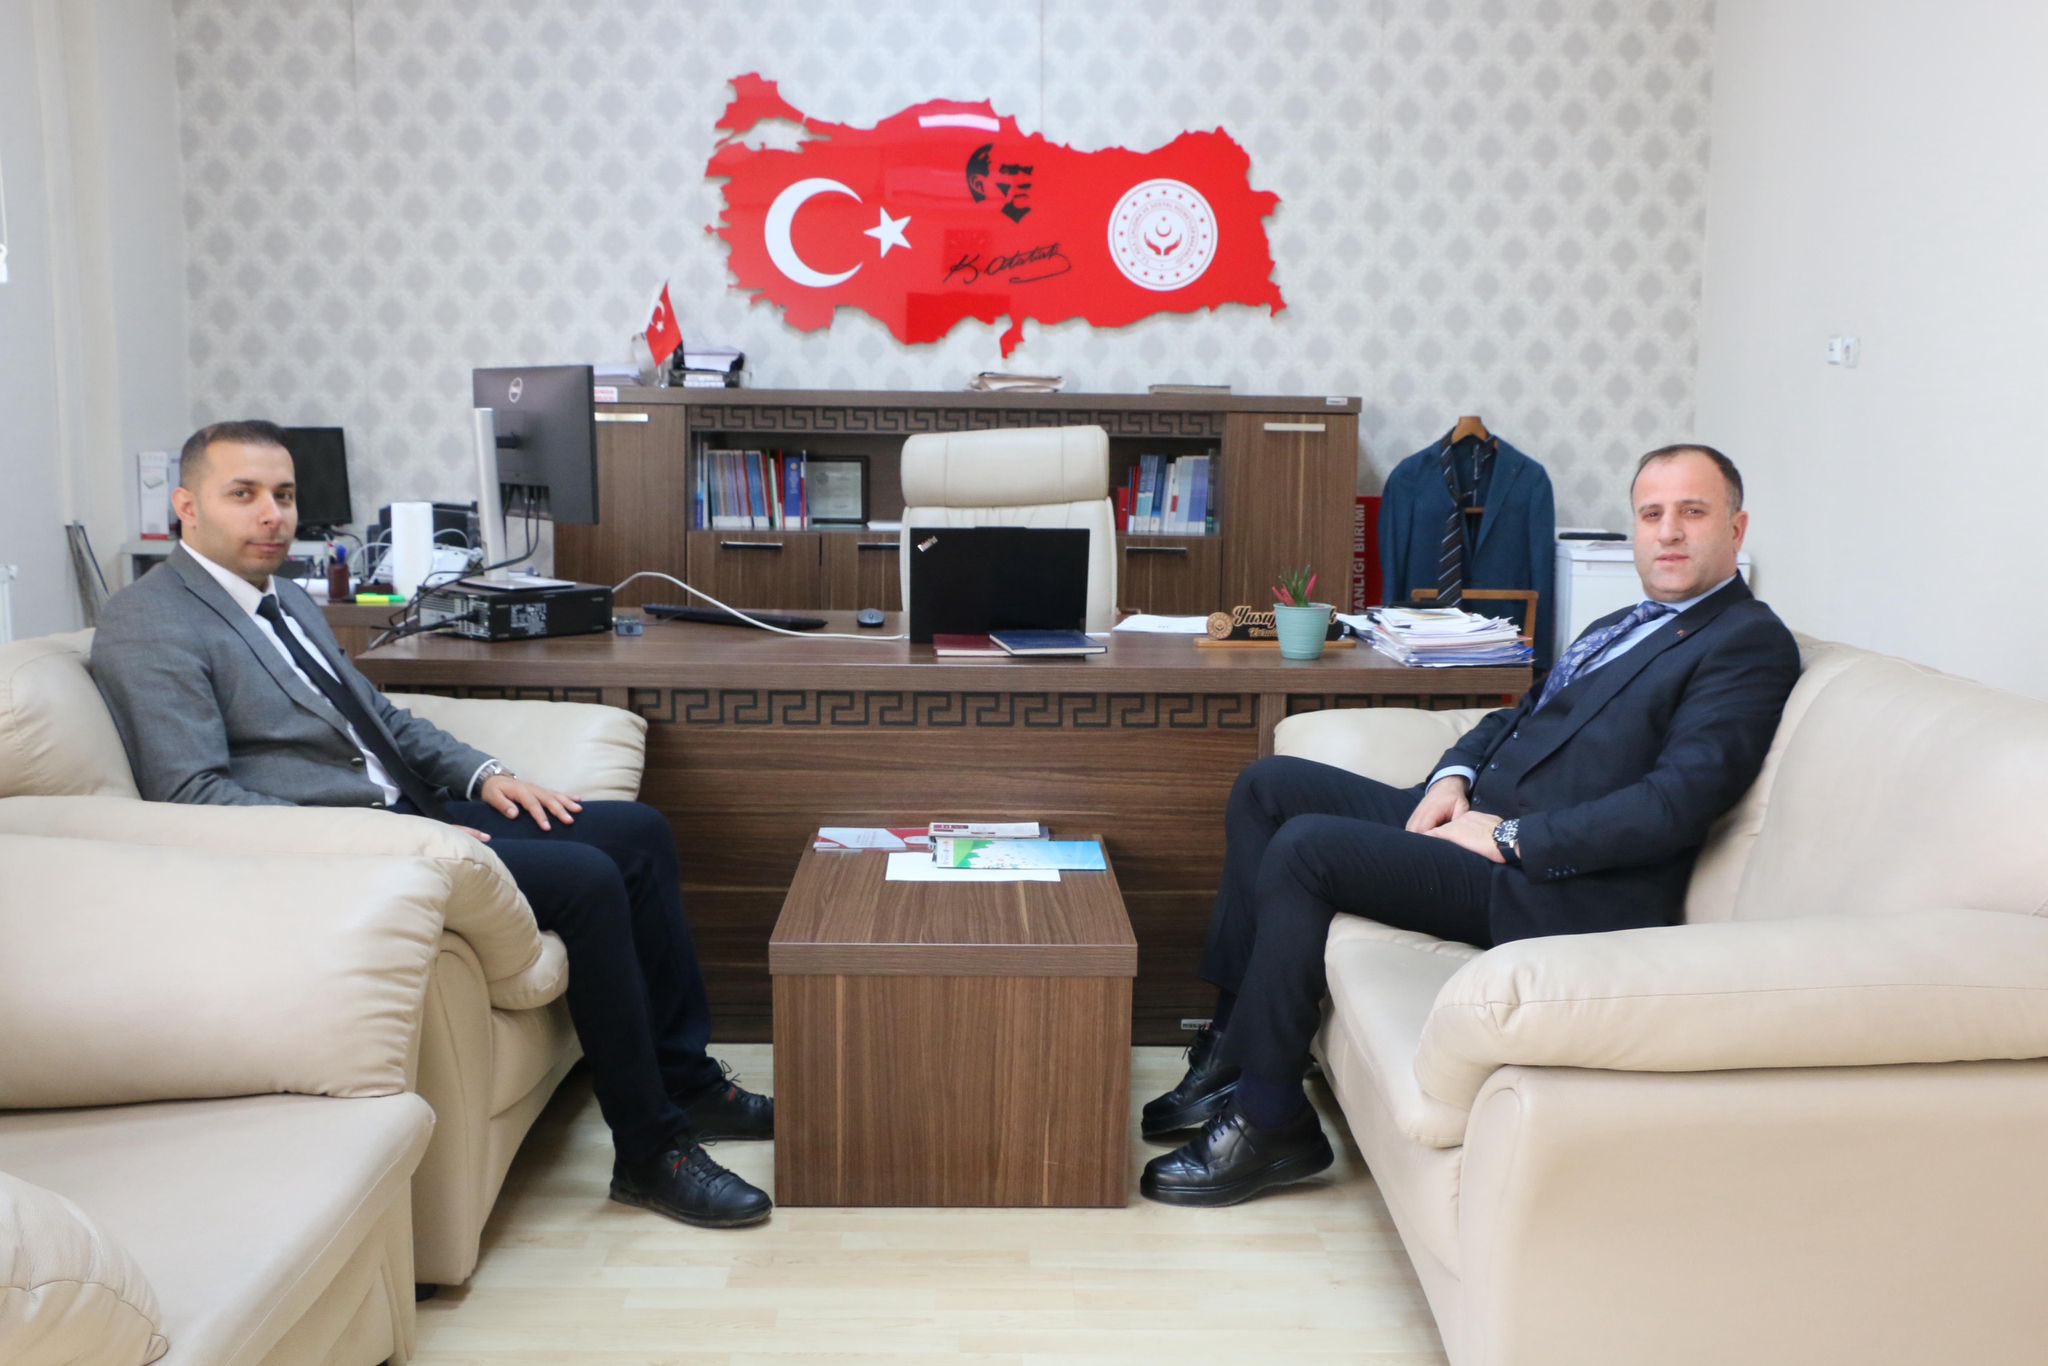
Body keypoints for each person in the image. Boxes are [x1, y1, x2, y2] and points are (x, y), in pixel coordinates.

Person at [91, 420, 774, 1231]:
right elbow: (193, 796)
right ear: (187, 506)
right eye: (243, 494)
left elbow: (379, 719)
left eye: (283, 494)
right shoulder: (150, 620)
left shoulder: (287, 598)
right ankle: (649, 1152)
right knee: (588, 880)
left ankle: (688, 1083)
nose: (272, 514)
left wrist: (489, 776)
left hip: (408, 814)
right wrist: (395, 841)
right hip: (344, 855)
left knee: (638, 832)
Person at [1139, 444, 1800, 1207]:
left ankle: (1270, 1117)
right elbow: (1512, 717)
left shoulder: (1745, 642)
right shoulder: (1623, 623)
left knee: (1307, 849)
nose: (1669, 531)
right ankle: (1230, 1049)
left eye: (1693, 512)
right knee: (1269, 788)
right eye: (1652, 514)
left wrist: (1508, 839)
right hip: (1481, 821)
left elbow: (1672, 805)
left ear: (1736, 528)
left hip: (1551, 883)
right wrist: (1451, 778)